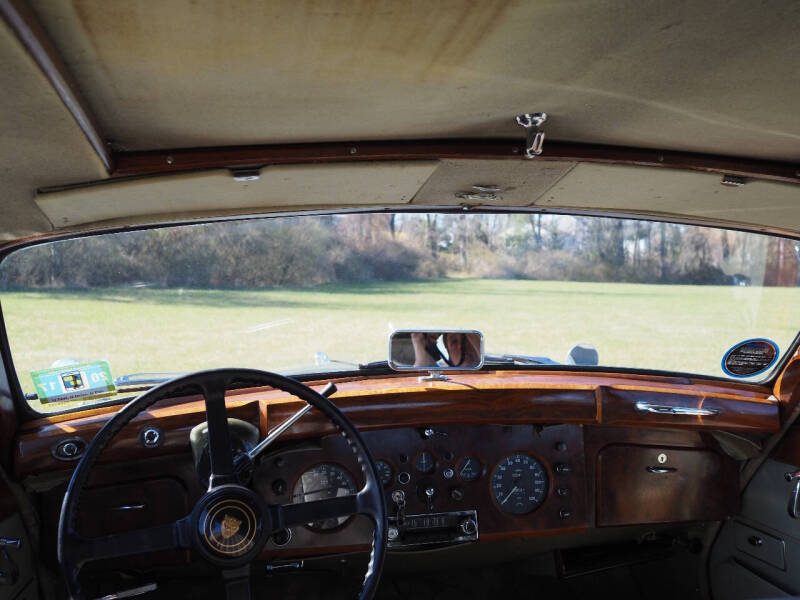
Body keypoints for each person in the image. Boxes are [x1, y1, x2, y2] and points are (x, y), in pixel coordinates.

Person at [410, 332, 480, 368]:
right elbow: (421, 367)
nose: (460, 346)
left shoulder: (484, 362)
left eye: (466, 340)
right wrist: (418, 340)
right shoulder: (441, 370)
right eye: (454, 342)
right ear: (449, 354)